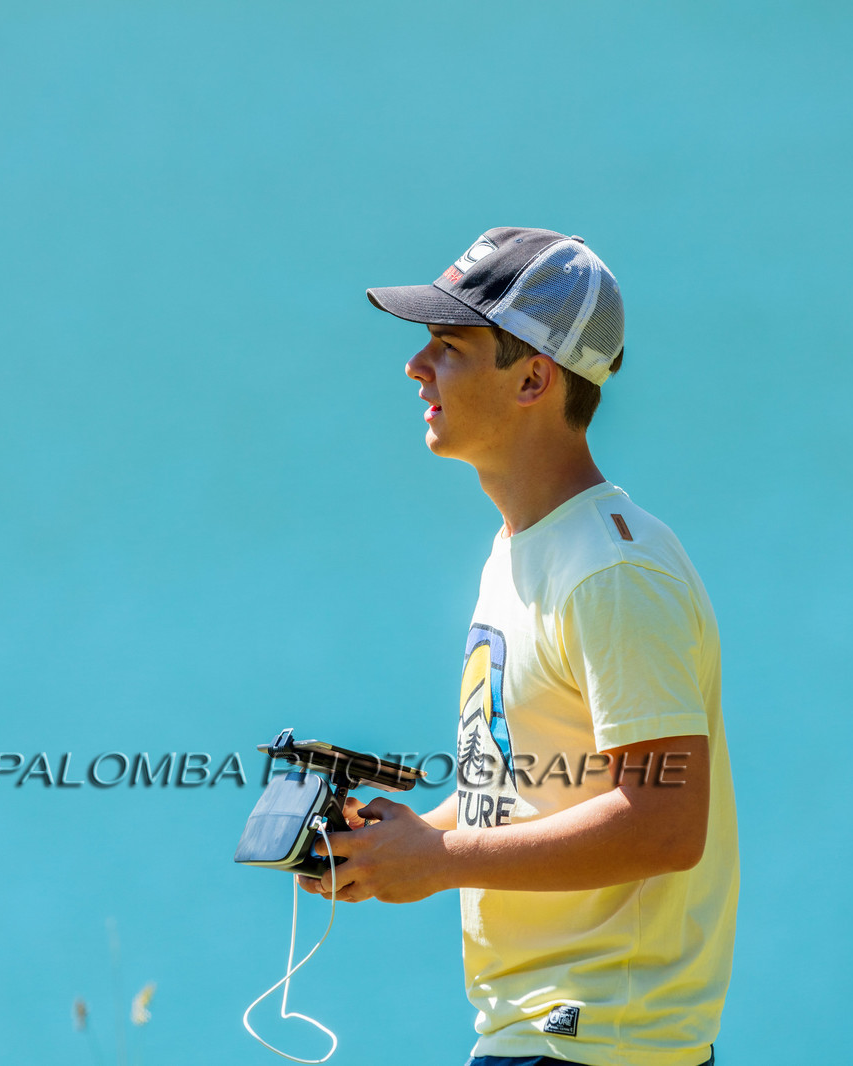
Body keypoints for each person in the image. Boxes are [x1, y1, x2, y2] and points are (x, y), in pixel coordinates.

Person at [299, 228, 737, 1066]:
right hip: (545, 1037)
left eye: (449, 346)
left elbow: (665, 823)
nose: (415, 367)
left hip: (595, 1042)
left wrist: (437, 860)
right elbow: (537, 785)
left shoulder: (612, 571)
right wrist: (400, 845)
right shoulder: (526, 549)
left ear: (535, 376)